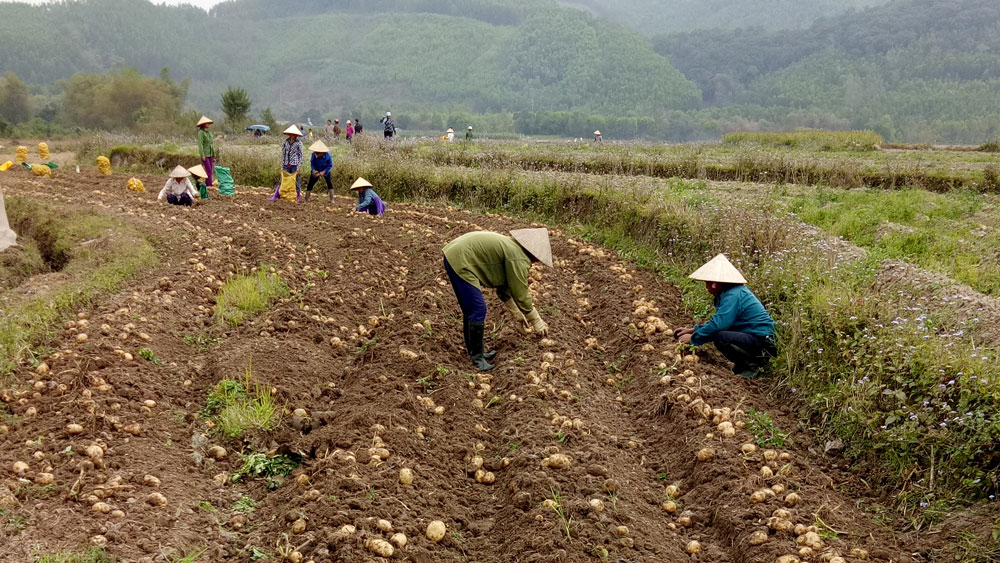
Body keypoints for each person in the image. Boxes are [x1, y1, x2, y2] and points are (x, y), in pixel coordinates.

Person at [442, 228, 553, 371]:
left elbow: (504, 288)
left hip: (457, 254)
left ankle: (476, 352)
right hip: (461, 259)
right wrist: (535, 319)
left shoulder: (512, 247)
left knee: (471, 309)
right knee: (477, 308)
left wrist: (517, 314)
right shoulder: (518, 256)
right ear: (535, 254)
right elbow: (521, 293)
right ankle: (477, 358)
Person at [675, 254, 776, 378]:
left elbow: (720, 324)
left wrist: (694, 338)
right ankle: (743, 364)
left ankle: (752, 366)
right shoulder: (729, 292)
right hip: (752, 337)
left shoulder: (732, 295)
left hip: (763, 341)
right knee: (721, 333)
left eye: (707, 282)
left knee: (721, 337)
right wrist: (693, 330)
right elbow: (719, 320)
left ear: (715, 283)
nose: (706, 286)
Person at [268, 125, 305, 202]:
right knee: (282, 180)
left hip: (294, 164)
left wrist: (298, 168)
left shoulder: (299, 143)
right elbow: (283, 154)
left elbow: (300, 156)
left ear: (296, 135)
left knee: (296, 180)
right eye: (291, 134)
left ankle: (297, 197)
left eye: (293, 134)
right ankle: (276, 195)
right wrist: (282, 165)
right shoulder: (285, 142)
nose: (292, 135)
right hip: (286, 164)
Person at [196, 115, 215, 188]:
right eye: (206, 123)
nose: (208, 124)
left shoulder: (209, 133)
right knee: (208, 170)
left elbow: (211, 144)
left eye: (208, 123)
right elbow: (200, 144)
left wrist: (213, 154)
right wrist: (202, 155)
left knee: (211, 170)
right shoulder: (201, 133)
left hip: (210, 154)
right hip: (205, 154)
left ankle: (209, 184)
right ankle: (209, 185)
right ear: (203, 124)